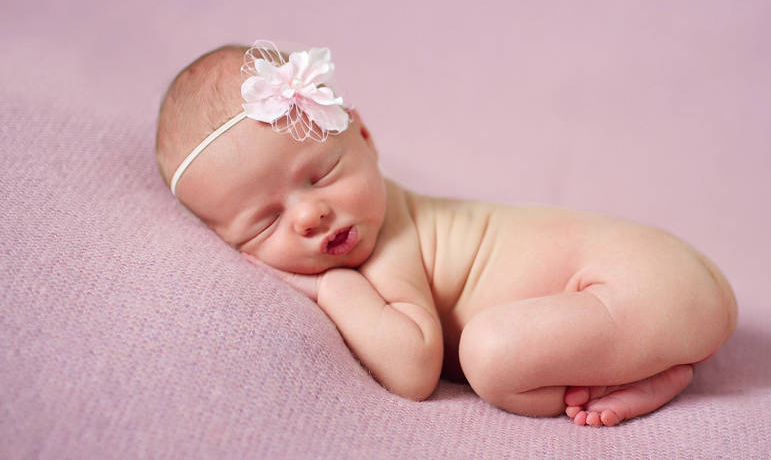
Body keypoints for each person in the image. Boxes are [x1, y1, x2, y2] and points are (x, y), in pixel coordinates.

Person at [155, 40, 738, 427]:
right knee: (499, 355)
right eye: (265, 222)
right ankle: (650, 364)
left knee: (490, 356)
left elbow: (413, 371)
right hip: (658, 287)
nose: (309, 216)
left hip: (650, 280)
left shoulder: (391, 244)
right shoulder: (379, 227)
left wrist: (334, 290)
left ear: (364, 135)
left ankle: (651, 371)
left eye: (322, 173)